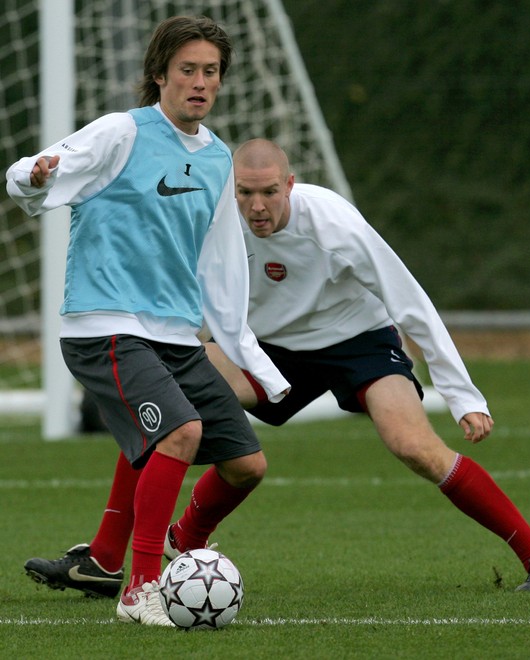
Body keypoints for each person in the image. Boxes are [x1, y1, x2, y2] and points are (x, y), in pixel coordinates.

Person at [177, 138, 530, 592]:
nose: (257, 206)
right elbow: (198, 301)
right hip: (270, 347)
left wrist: (463, 395)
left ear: (290, 184)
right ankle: (140, 547)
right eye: (245, 193)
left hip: (357, 339)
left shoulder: (332, 222)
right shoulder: (217, 223)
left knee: (415, 448)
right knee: (173, 395)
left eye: (269, 191)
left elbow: (410, 302)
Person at [6, 19, 289, 627]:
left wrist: (250, 356)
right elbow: (34, 174)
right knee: (179, 435)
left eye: (210, 71)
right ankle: (140, 590)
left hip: (175, 337)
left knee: (246, 465)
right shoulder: (120, 133)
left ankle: (153, 551)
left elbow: (220, 267)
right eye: (187, 69)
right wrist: (32, 176)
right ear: (159, 73)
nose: (199, 82)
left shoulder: (217, 158)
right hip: (103, 326)